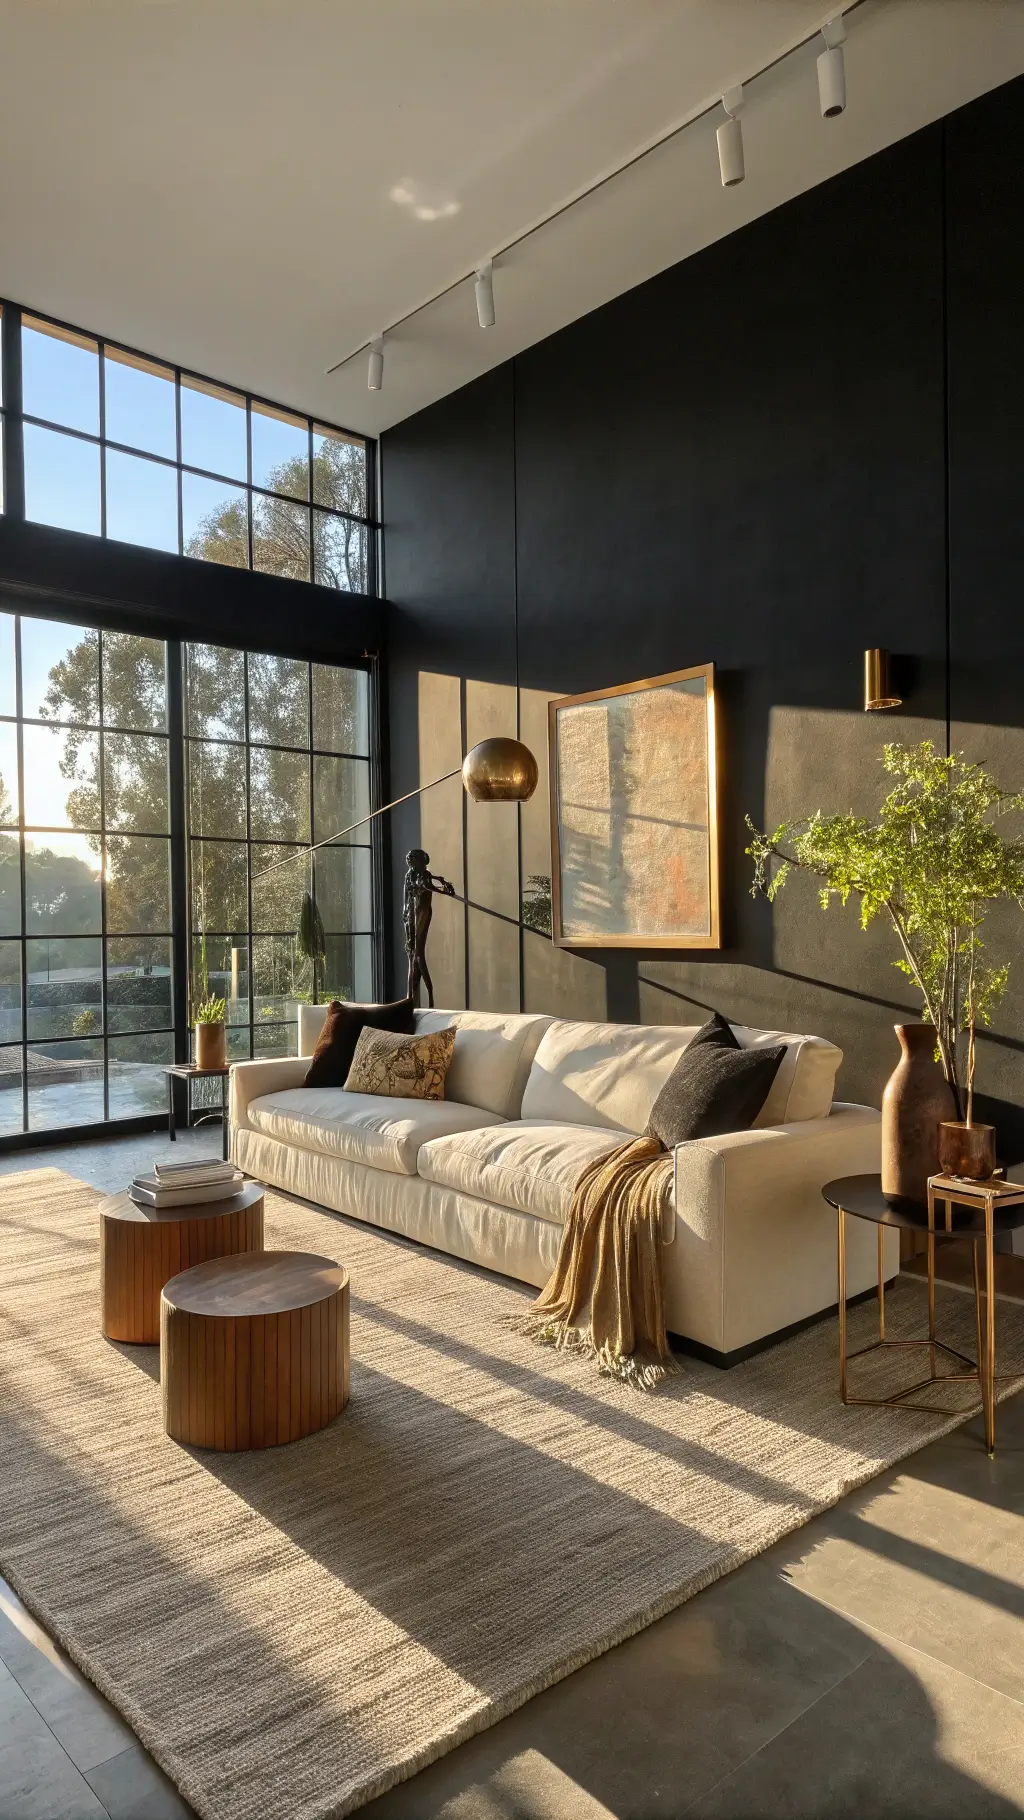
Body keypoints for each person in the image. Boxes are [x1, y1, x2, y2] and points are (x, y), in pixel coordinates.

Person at [402, 848, 456, 1007]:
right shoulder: (411, 874)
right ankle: (412, 997)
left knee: (418, 956)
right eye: (409, 858)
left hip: (422, 913)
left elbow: (426, 886)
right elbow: (411, 894)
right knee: (413, 956)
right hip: (410, 916)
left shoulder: (423, 875)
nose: (409, 861)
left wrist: (443, 889)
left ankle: (427, 996)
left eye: (412, 858)